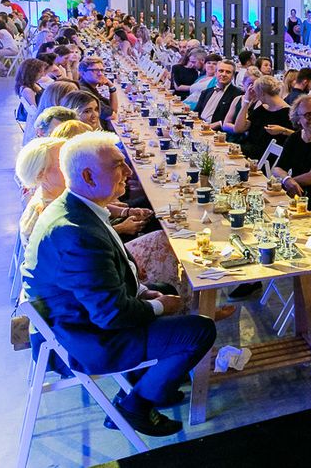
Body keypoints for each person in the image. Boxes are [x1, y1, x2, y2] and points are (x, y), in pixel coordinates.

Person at [22, 131, 216, 436]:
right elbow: (110, 315)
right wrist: (157, 306)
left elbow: (105, 278)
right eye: (117, 165)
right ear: (88, 175)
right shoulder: (76, 233)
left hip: (77, 319)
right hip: (83, 341)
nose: (127, 171)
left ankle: (152, 382)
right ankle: (134, 406)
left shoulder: (76, 207)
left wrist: (145, 293)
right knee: (201, 330)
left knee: (166, 289)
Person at [233, 75, 292, 160]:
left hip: (264, 157)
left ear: (262, 93)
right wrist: (246, 102)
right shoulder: (263, 108)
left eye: (256, 92)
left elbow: (297, 135)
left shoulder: (288, 113)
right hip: (247, 150)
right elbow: (238, 128)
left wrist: (283, 130)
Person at [196, 59, 242, 128]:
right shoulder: (206, 92)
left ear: (233, 76)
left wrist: (218, 124)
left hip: (217, 131)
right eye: (221, 71)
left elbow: (236, 119)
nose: (223, 74)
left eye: (228, 72)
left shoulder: (238, 94)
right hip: (199, 127)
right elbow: (196, 112)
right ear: (215, 73)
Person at [221, 66, 262, 143]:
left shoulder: (261, 103)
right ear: (243, 83)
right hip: (231, 138)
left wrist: (239, 128)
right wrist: (237, 129)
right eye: (250, 84)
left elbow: (248, 128)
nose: (252, 87)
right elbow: (225, 125)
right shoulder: (237, 99)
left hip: (247, 142)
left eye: (256, 84)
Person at [77, 57, 117, 131]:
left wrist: (111, 87)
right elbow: (111, 116)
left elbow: (113, 110)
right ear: (82, 73)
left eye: (101, 70)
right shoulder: (85, 92)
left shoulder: (90, 87)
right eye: (95, 70)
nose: (100, 74)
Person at [15, 59, 48, 124]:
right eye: (40, 72)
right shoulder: (27, 90)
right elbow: (34, 112)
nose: (43, 74)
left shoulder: (34, 84)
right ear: (32, 72)